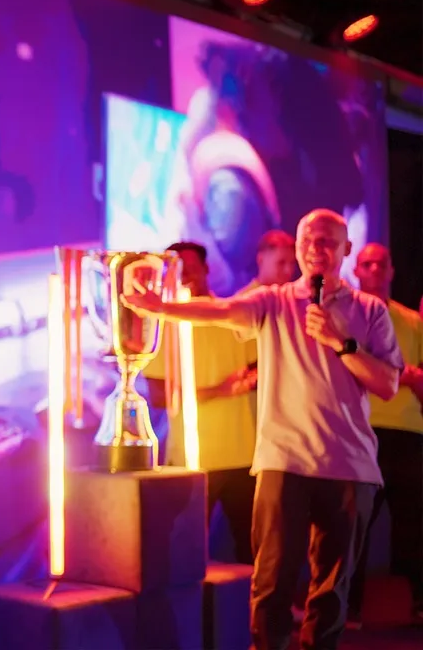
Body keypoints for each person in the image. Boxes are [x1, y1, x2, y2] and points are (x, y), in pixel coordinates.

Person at [122, 209, 403, 650]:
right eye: (308, 240)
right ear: (297, 247)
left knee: (331, 594)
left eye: (328, 241)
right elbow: (219, 309)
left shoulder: (369, 311)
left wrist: (340, 342)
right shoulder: (273, 301)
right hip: (282, 461)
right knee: (270, 585)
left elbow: (387, 384)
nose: (317, 249)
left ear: (345, 249)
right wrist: (160, 307)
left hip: (349, 466)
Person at [142, 241, 258, 564]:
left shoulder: (234, 315)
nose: (185, 274)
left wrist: (249, 379)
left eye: (191, 266)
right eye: (176, 267)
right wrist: (219, 390)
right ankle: (192, 615)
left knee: (252, 550)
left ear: (207, 269)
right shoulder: (164, 327)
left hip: (244, 456)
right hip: (190, 460)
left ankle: (253, 614)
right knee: (187, 551)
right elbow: (159, 396)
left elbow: (262, 366)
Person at [348, 243, 423, 626]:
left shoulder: (413, 321)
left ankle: (417, 607)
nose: (375, 269)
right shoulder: (343, 318)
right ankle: (349, 610)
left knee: (413, 523)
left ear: (392, 271)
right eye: (367, 264)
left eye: (381, 263)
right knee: (355, 524)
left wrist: (411, 377)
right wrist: (396, 374)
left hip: (409, 432)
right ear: (356, 271)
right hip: (360, 431)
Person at [240, 229, 298, 294]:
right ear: (261, 260)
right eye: (281, 263)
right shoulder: (244, 300)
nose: (289, 270)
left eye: (292, 263)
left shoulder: (290, 297)